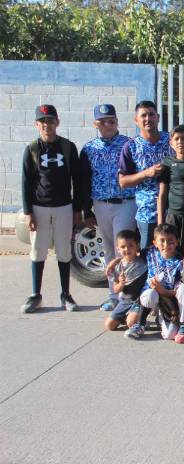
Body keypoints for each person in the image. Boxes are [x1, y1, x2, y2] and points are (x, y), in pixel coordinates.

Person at [20, 104, 86, 313]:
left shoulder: (67, 147)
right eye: (43, 121)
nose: (47, 125)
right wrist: (28, 211)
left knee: (64, 251)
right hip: (39, 207)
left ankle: (65, 294)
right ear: (36, 124)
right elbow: (25, 182)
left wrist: (77, 210)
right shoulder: (31, 149)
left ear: (57, 122)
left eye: (50, 120)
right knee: (38, 250)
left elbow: (78, 180)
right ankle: (35, 294)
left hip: (64, 207)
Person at [80, 103, 135, 312]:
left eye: (111, 121)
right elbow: (83, 180)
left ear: (117, 122)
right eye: (103, 122)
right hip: (101, 204)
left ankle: (127, 294)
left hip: (125, 203)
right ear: (96, 124)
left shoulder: (128, 144)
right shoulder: (89, 149)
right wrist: (86, 210)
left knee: (124, 248)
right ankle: (113, 294)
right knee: (109, 251)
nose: (108, 125)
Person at [118, 100, 173, 249]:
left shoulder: (172, 140)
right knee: (148, 253)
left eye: (151, 114)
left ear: (158, 117)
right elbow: (123, 182)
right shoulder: (131, 146)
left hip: (173, 209)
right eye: (143, 115)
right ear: (136, 120)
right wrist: (145, 174)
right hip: (147, 212)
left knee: (174, 253)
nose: (148, 118)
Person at [124, 223, 183, 341]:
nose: (166, 245)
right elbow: (129, 256)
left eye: (170, 241)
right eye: (162, 241)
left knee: (170, 335)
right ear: (155, 242)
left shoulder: (180, 261)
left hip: (169, 300)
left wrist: (162, 290)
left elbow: (177, 292)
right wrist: (114, 263)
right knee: (149, 295)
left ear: (177, 242)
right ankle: (140, 325)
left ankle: (162, 317)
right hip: (150, 295)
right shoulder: (149, 253)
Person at [158, 124, 184, 245]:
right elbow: (162, 194)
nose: (180, 142)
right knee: (173, 251)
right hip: (173, 216)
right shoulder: (167, 163)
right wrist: (160, 223)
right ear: (171, 143)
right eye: (176, 139)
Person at [103, 229, 147, 332]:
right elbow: (115, 289)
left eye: (131, 245)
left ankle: (137, 317)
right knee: (109, 326)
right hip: (125, 301)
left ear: (137, 246)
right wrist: (121, 284)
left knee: (130, 323)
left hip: (138, 300)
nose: (127, 249)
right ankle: (125, 315)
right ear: (118, 249)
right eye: (123, 247)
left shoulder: (144, 260)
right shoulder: (118, 267)